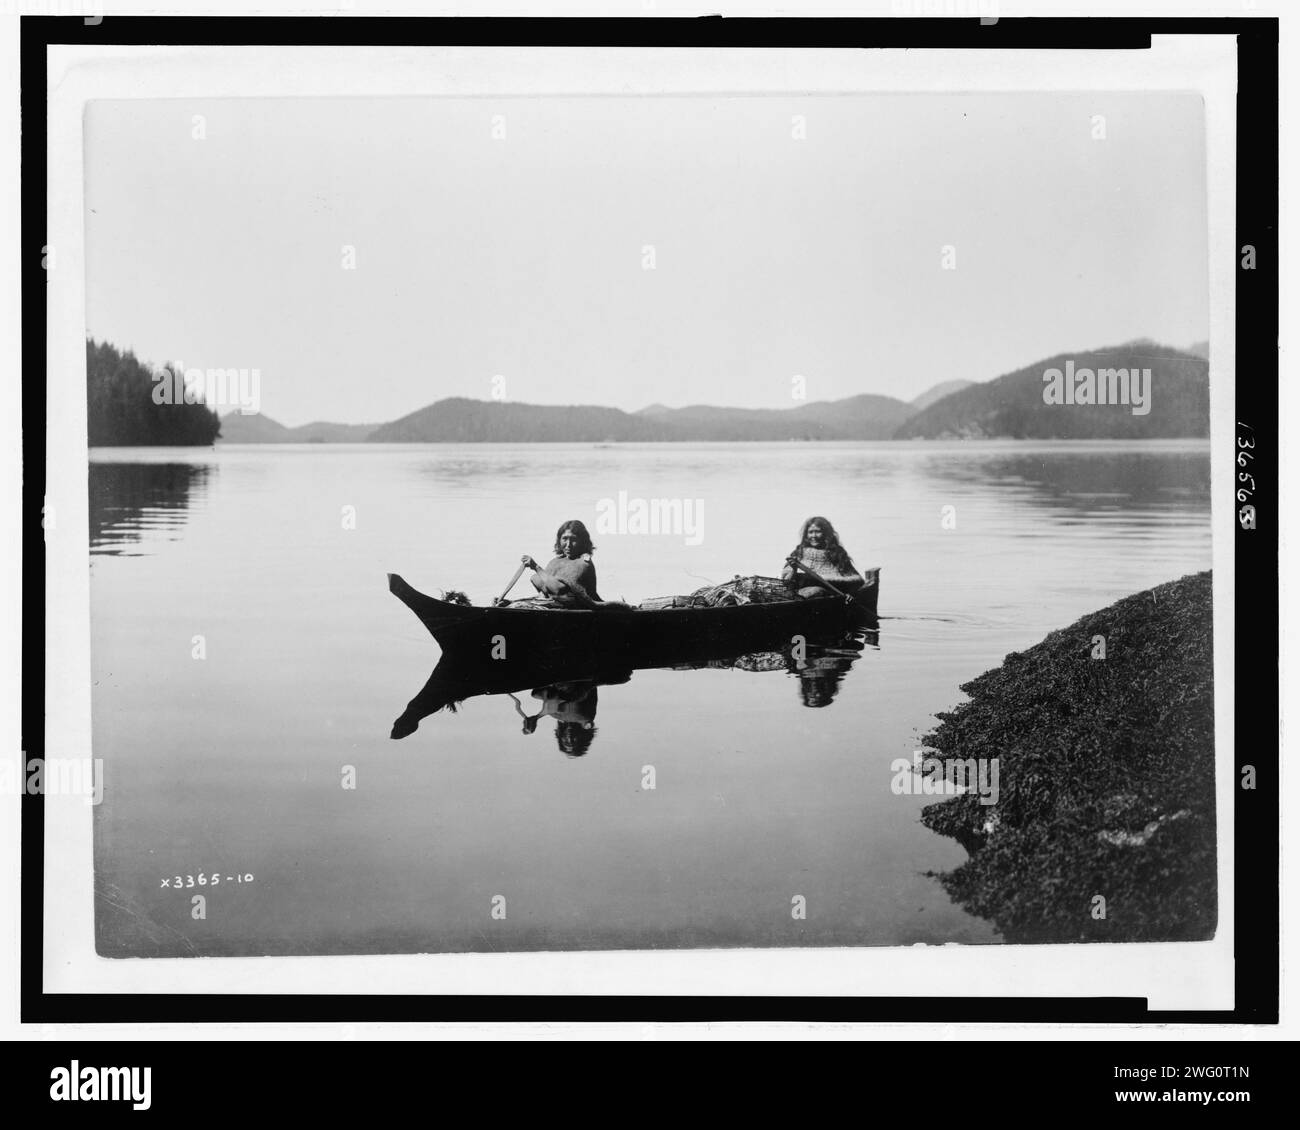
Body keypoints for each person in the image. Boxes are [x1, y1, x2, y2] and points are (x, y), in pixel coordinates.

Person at [782, 516, 866, 599]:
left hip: (825, 599)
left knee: (816, 591)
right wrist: (793, 569)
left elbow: (855, 580)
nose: (813, 536)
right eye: (810, 532)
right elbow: (786, 581)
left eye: (818, 532)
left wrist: (850, 594)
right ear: (806, 535)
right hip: (799, 595)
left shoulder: (836, 553)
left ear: (826, 533)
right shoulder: (798, 552)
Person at [527, 520, 602, 607]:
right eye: (564, 539)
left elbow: (558, 590)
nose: (568, 544)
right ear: (559, 540)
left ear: (582, 541)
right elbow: (543, 585)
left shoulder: (583, 563)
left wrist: (536, 567)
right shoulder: (554, 562)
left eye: (573, 539)